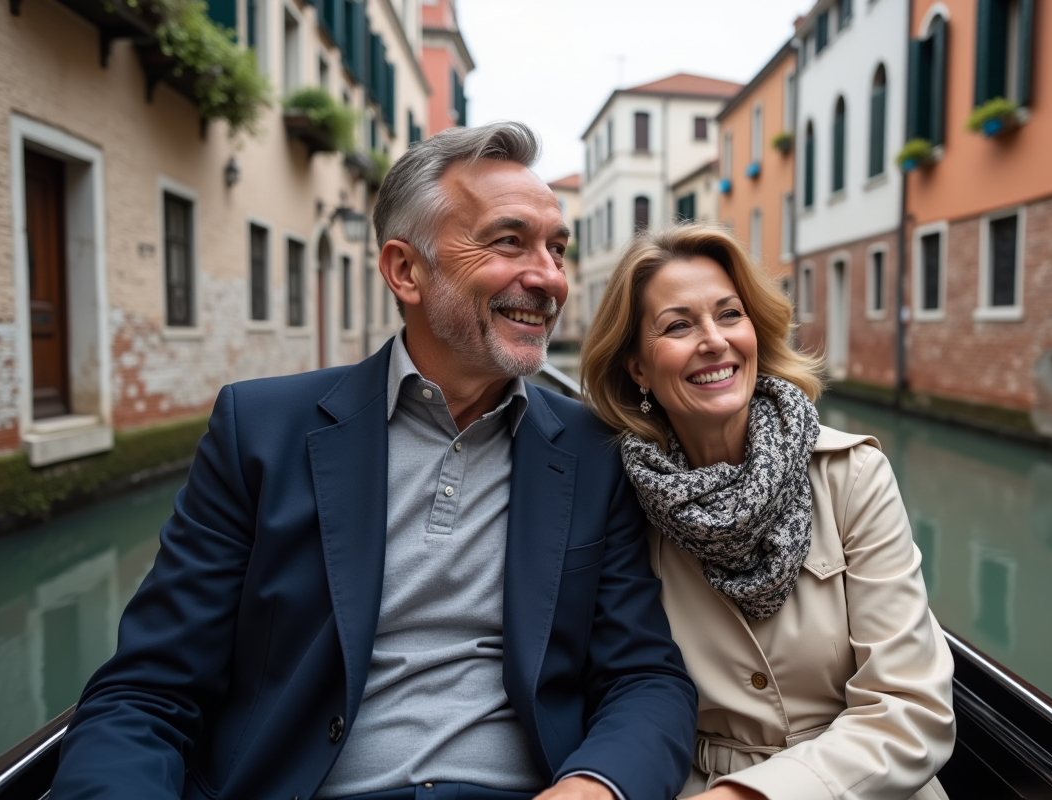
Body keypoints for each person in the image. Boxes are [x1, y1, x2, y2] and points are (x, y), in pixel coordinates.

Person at [52, 122, 698, 800]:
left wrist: (594, 787)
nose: (549, 278)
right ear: (404, 270)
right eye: (510, 241)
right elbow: (148, 691)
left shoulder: (597, 450)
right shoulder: (258, 432)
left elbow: (644, 678)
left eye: (556, 250)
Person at [579, 223, 955, 800]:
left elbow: (912, 710)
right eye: (678, 325)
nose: (713, 340)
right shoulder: (619, 498)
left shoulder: (850, 476)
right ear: (636, 367)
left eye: (730, 315)